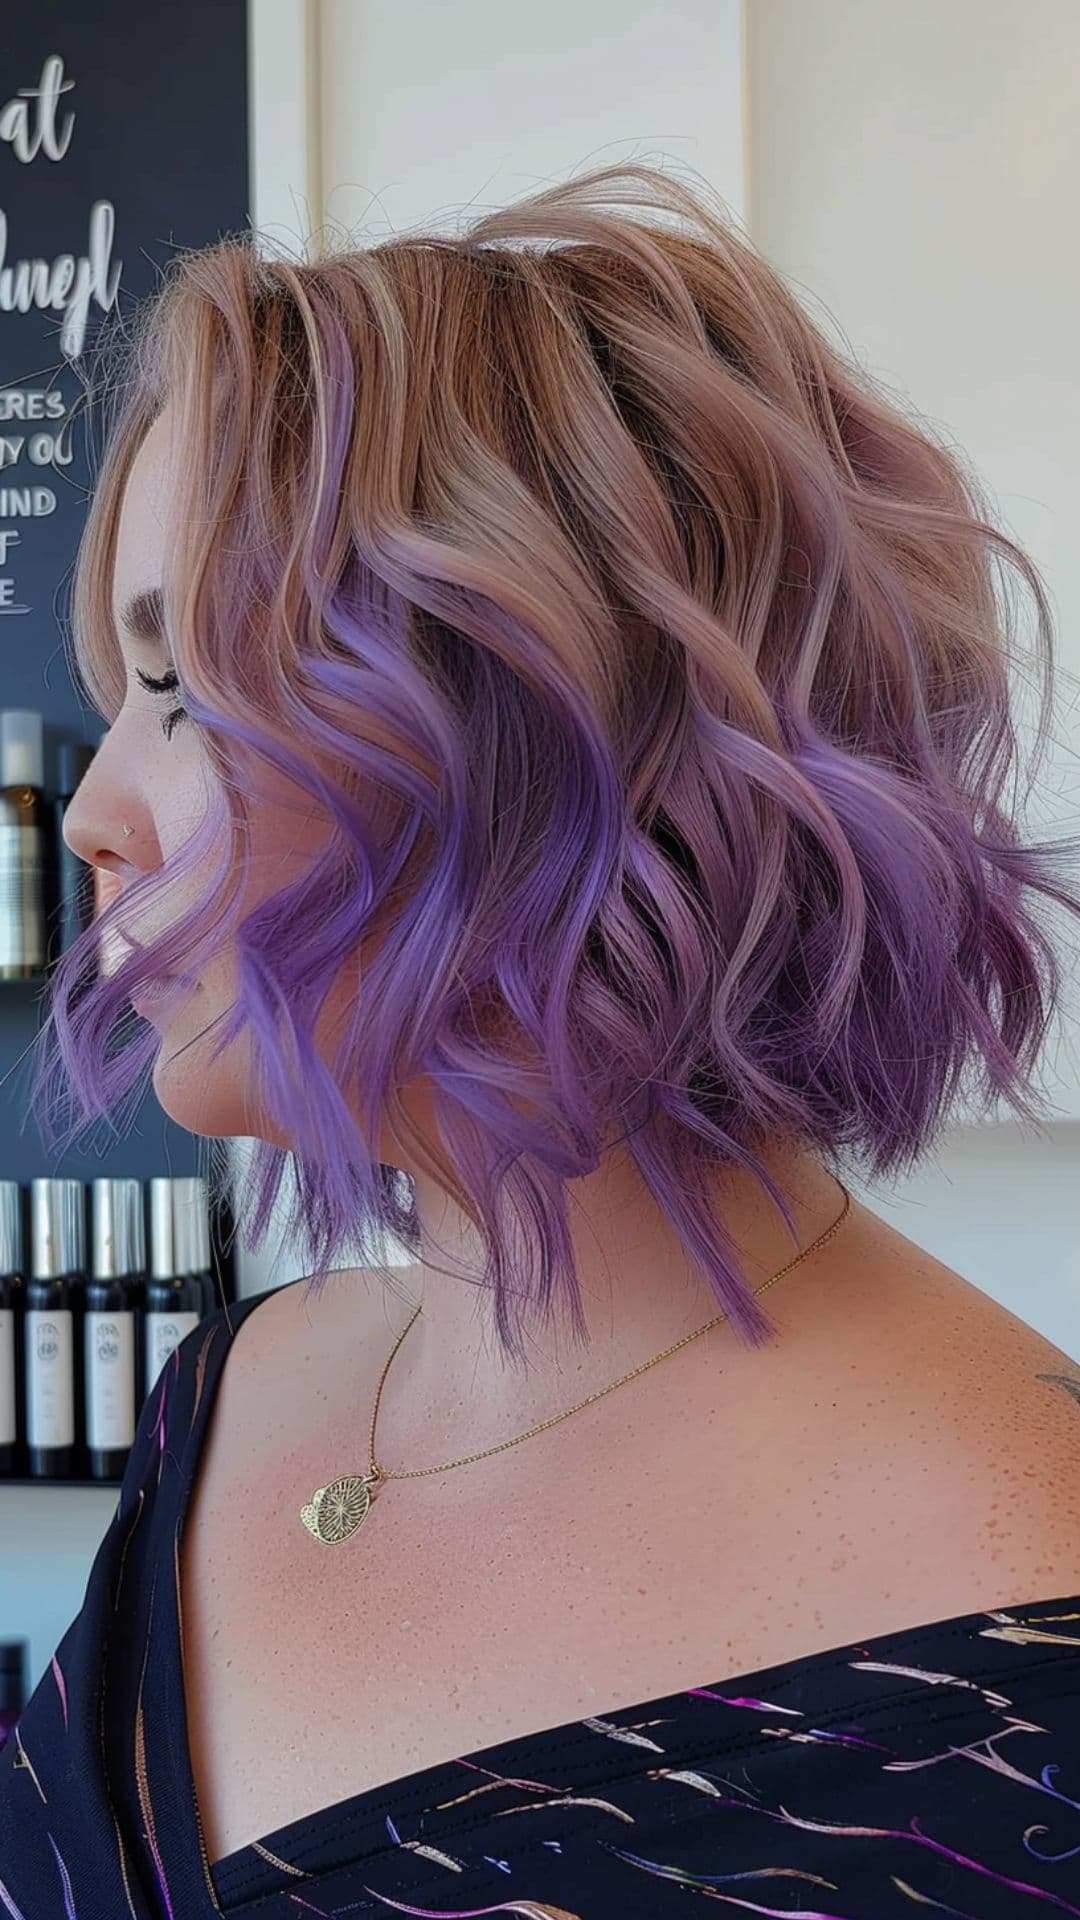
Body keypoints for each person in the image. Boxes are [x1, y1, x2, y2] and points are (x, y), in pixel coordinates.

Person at [3, 161, 1079, 1917]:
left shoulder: (1019, 1655)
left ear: (542, 728)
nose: (94, 810)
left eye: (187, 685)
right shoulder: (232, 1387)